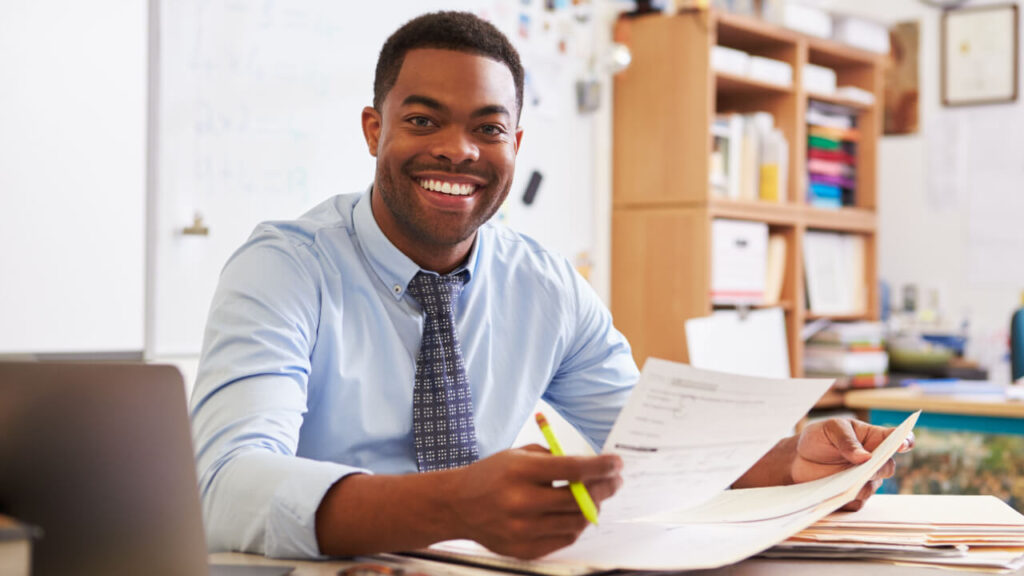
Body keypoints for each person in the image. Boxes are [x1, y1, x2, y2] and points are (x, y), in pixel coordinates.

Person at [190, 10, 911, 562]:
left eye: (488, 128)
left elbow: (648, 449)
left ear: (516, 147)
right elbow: (225, 485)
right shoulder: (285, 268)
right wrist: (451, 506)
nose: (458, 150)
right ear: (374, 129)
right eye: (421, 120)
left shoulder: (544, 284)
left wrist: (792, 459)